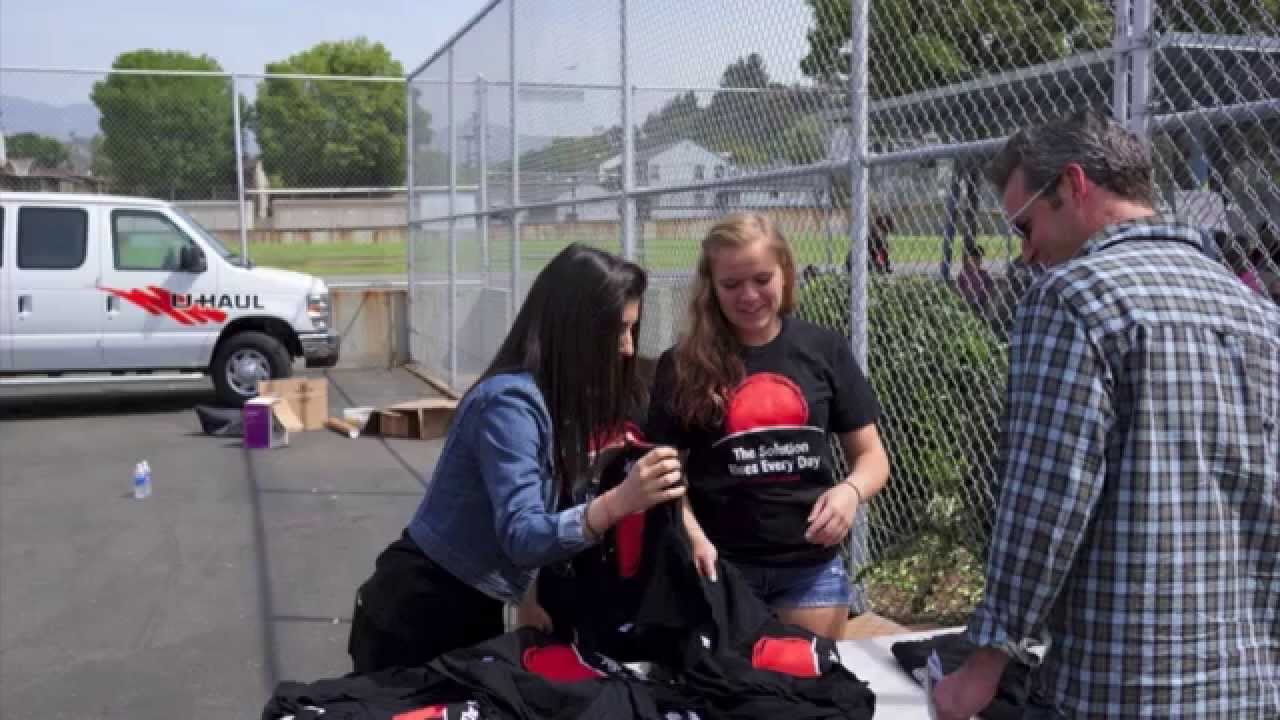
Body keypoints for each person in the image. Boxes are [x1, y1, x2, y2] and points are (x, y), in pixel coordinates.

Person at [932, 110, 1280, 719]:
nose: (1027, 251)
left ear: (1071, 185)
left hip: (1123, 681)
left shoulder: (1073, 299)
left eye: (1026, 224)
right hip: (1251, 680)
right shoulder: (1255, 312)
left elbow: (1047, 500)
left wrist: (984, 663)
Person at [347, 243, 687, 674]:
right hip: (421, 609)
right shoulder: (509, 402)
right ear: (574, 328)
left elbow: (528, 505)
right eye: (616, 330)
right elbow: (522, 533)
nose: (625, 347)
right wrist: (622, 500)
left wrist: (527, 594)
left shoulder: (556, 398)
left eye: (631, 331)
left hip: (472, 602)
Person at [646, 211, 890, 640]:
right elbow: (664, 476)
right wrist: (694, 537)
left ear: (785, 274)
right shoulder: (682, 365)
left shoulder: (823, 349)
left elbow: (872, 457)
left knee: (802, 691)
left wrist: (850, 493)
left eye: (762, 279)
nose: (749, 295)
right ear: (710, 287)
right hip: (719, 566)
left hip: (808, 573)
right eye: (732, 284)